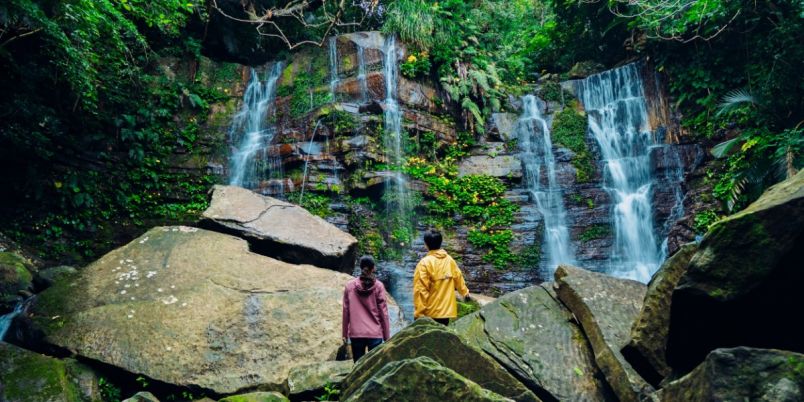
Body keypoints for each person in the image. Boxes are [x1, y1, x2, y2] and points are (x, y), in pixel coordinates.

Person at [413, 230, 470, 325]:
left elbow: (421, 290)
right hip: (446, 312)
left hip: (430, 313)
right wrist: (465, 292)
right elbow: (458, 277)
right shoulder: (449, 260)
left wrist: (419, 314)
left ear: (426, 244)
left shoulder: (424, 263)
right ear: (440, 242)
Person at [342, 255, 391, 362]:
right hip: (375, 333)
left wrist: (344, 333)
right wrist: (387, 336)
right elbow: (383, 313)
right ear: (373, 268)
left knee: (358, 366)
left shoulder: (349, 286)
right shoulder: (379, 286)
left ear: (360, 267)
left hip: (356, 333)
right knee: (374, 367)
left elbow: (346, 312)